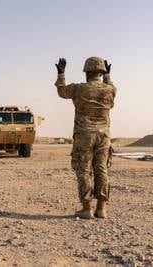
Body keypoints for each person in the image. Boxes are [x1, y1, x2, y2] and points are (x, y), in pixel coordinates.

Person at [55, 57, 117, 219]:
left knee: (84, 171)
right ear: (102, 72)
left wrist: (61, 73)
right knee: (101, 169)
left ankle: (87, 208)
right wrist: (108, 76)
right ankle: (102, 208)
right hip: (104, 136)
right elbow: (110, 85)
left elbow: (62, 91)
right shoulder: (110, 90)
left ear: (87, 72)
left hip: (84, 136)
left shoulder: (78, 89)